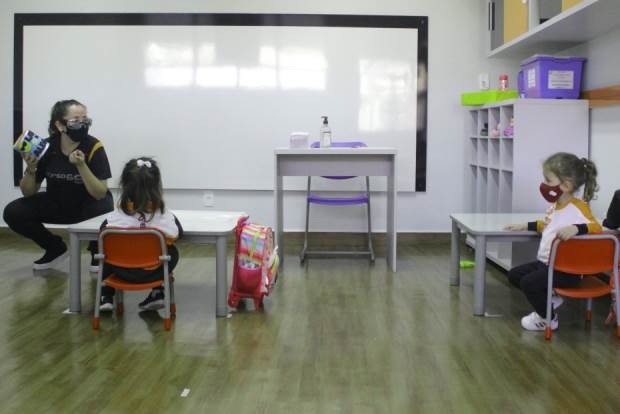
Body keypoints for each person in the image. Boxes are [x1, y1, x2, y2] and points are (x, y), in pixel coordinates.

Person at [3, 99, 113, 270]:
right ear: (60, 125)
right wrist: (31, 169)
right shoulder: (45, 147)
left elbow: (99, 193)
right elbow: (28, 192)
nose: (83, 125)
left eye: (85, 120)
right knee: (13, 212)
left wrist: (81, 165)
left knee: (104, 205)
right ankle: (55, 248)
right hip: (57, 203)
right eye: (75, 121)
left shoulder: (94, 146)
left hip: (87, 205)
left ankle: (97, 252)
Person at [504, 152, 601, 331]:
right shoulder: (555, 206)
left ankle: (548, 318)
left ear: (566, 185)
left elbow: (596, 227)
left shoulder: (578, 207)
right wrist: (524, 225)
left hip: (566, 271)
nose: (544, 184)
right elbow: (547, 224)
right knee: (515, 275)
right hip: (546, 264)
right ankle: (551, 299)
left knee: (529, 283)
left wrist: (576, 228)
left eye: (548, 180)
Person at [98, 157, 183, 312]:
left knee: (105, 252)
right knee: (171, 251)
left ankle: (105, 296)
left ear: (124, 185)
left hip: (121, 270)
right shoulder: (163, 215)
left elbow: (102, 233)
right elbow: (177, 233)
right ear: (157, 186)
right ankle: (158, 292)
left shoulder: (117, 216)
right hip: (153, 273)